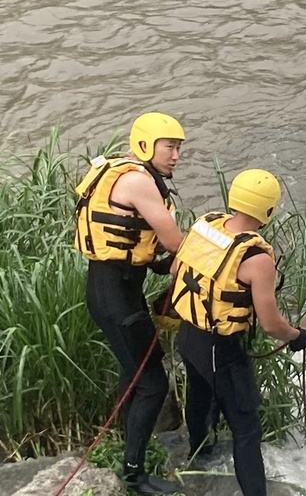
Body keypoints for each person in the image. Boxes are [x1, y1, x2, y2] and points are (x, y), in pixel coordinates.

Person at [170, 169, 306, 496]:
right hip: (222, 349)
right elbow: (270, 323)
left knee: (199, 393)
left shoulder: (205, 226)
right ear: (269, 210)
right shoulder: (256, 259)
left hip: (188, 335)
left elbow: (177, 269)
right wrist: (297, 336)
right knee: (246, 429)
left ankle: (199, 452)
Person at [74, 112, 186, 495]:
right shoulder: (139, 181)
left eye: (179, 148)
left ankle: (129, 450)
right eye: (169, 147)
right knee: (153, 382)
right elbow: (176, 243)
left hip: (116, 290)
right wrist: (219, 252)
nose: (176, 156)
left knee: (134, 372)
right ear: (144, 146)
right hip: (115, 299)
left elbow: (144, 250)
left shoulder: (128, 175)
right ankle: (134, 473)